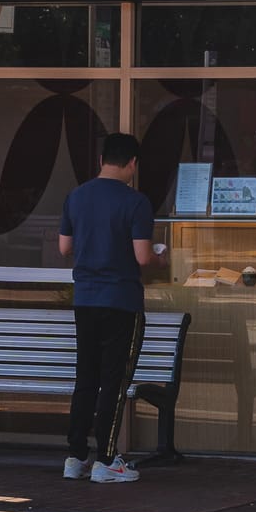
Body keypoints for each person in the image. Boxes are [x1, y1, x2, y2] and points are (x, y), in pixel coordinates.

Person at [58, 132, 158, 484]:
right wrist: (163, 255)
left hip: (84, 299)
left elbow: (64, 247)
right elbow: (142, 256)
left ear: (102, 159)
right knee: (113, 382)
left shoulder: (76, 196)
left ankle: (75, 456)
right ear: (132, 163)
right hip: (121, 301)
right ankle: (106, 459)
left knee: (85, 378)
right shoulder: (136, 202)